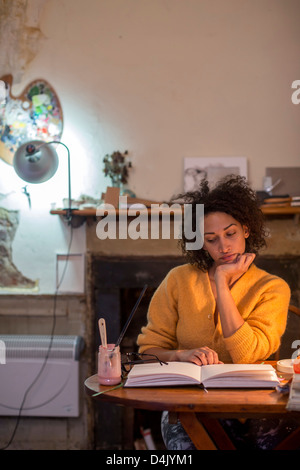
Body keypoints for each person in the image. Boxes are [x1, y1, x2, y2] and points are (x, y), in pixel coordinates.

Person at [137, 175, 296, 450]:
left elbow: (247, 355)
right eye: (211, 240)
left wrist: (221, 283)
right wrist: (180, 355)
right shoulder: (178, 280)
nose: (223, 247)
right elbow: (148, 351)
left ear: (246, 229)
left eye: (230, 234)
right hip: (189, 407)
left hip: (253, 408)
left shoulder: (272, 287)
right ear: (201, 243)